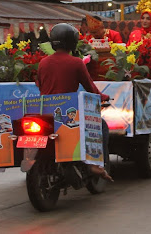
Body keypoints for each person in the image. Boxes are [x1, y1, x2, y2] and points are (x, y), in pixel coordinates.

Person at [36, 23, 113, 182]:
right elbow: (90, 88)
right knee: (102, 126)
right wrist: (104, 97)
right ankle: (95, 164)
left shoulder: (43, 63)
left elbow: (40, 85)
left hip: (45, 114)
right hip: (67, 113)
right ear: (72, 42)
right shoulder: (76, 63)